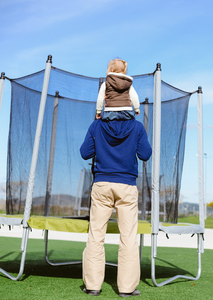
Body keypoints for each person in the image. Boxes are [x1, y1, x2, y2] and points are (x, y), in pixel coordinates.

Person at [80, 113, 152, 297]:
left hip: (102, 184)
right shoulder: (136, 126)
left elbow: (85, 152)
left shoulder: (96, 125)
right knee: (128, 237)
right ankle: (126, 289)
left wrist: (98, 128)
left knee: (96, 235)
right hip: (127, 186)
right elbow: (145, 154)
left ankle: (93, 286)